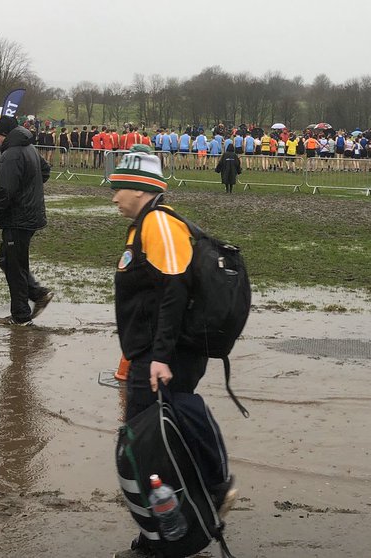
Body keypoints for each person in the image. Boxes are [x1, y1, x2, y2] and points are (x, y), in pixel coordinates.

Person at [108, 149, 237, 555]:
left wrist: (159, 356)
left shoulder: (160, 223)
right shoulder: (144, 224)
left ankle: (208, 492)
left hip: (168, 354)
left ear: (142, 190)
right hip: (152, 352)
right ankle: (186, 512)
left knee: (146, 443)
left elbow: (173, 292)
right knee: (152, 436)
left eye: (119, 188)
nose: (113, 197)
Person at [0, 116, 55, 327]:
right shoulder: (28, 148)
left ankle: (21, 315)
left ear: (4, 135)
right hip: (25, 215)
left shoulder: (12, 154)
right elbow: (44, 171)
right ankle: (37, 294)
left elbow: (5, 193)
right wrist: (29, 186)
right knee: (6, 260)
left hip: (18, 218)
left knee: (15, 266)